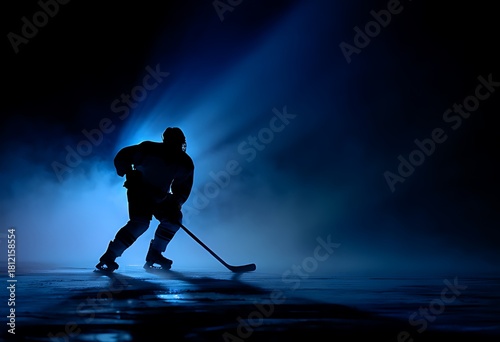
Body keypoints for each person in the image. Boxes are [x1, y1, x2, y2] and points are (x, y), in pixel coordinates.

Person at [95, 127, 194, 272]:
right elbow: (122, 157)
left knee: (173, 221)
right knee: (140, 223)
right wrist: (129, 173)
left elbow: (182, 189)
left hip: (159, 197)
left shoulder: (184, 162)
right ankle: (109, 256)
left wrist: (175, 203)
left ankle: (155, 254)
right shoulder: (148, 149)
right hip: (139, 193)